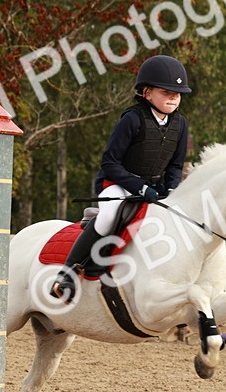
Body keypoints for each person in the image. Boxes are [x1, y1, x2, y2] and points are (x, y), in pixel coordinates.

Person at [49, 54, 192, 302]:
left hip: (154, 188)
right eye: (166, 92)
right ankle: (68, 272)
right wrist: (139, 186)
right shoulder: (132, 119)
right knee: (109, 215)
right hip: (117, 184)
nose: (173, 97)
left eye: (177, 93)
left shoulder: (181, 124)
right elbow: (110, 162)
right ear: (146, 93)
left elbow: (176, 166)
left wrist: (170, 189)